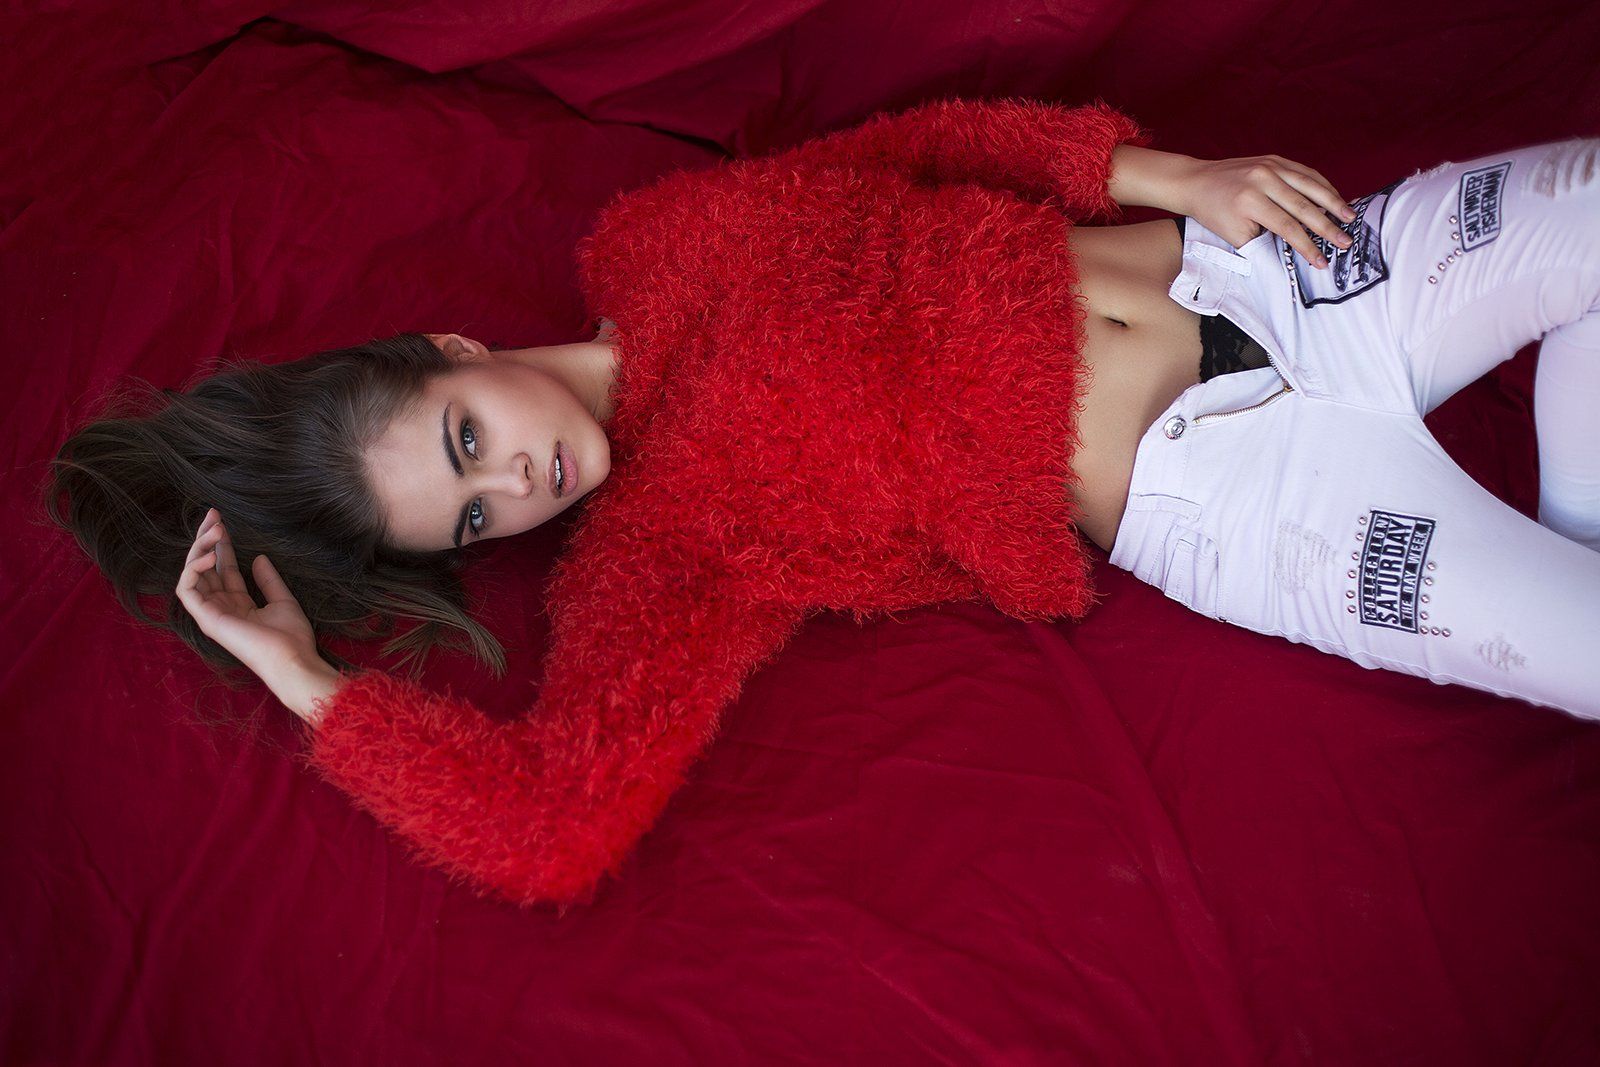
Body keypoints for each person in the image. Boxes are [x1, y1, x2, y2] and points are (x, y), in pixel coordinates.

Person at [43, 98, 1600, 908]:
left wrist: (1170, 175)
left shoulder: (659, 236)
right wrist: (302, 680)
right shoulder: (658, 560)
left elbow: (923, 149)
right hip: (1260, 504)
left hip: (1294, 266)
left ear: (457, 352)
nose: (513, 488)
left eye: (464, 441)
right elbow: (548, 828)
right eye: (468, 523)